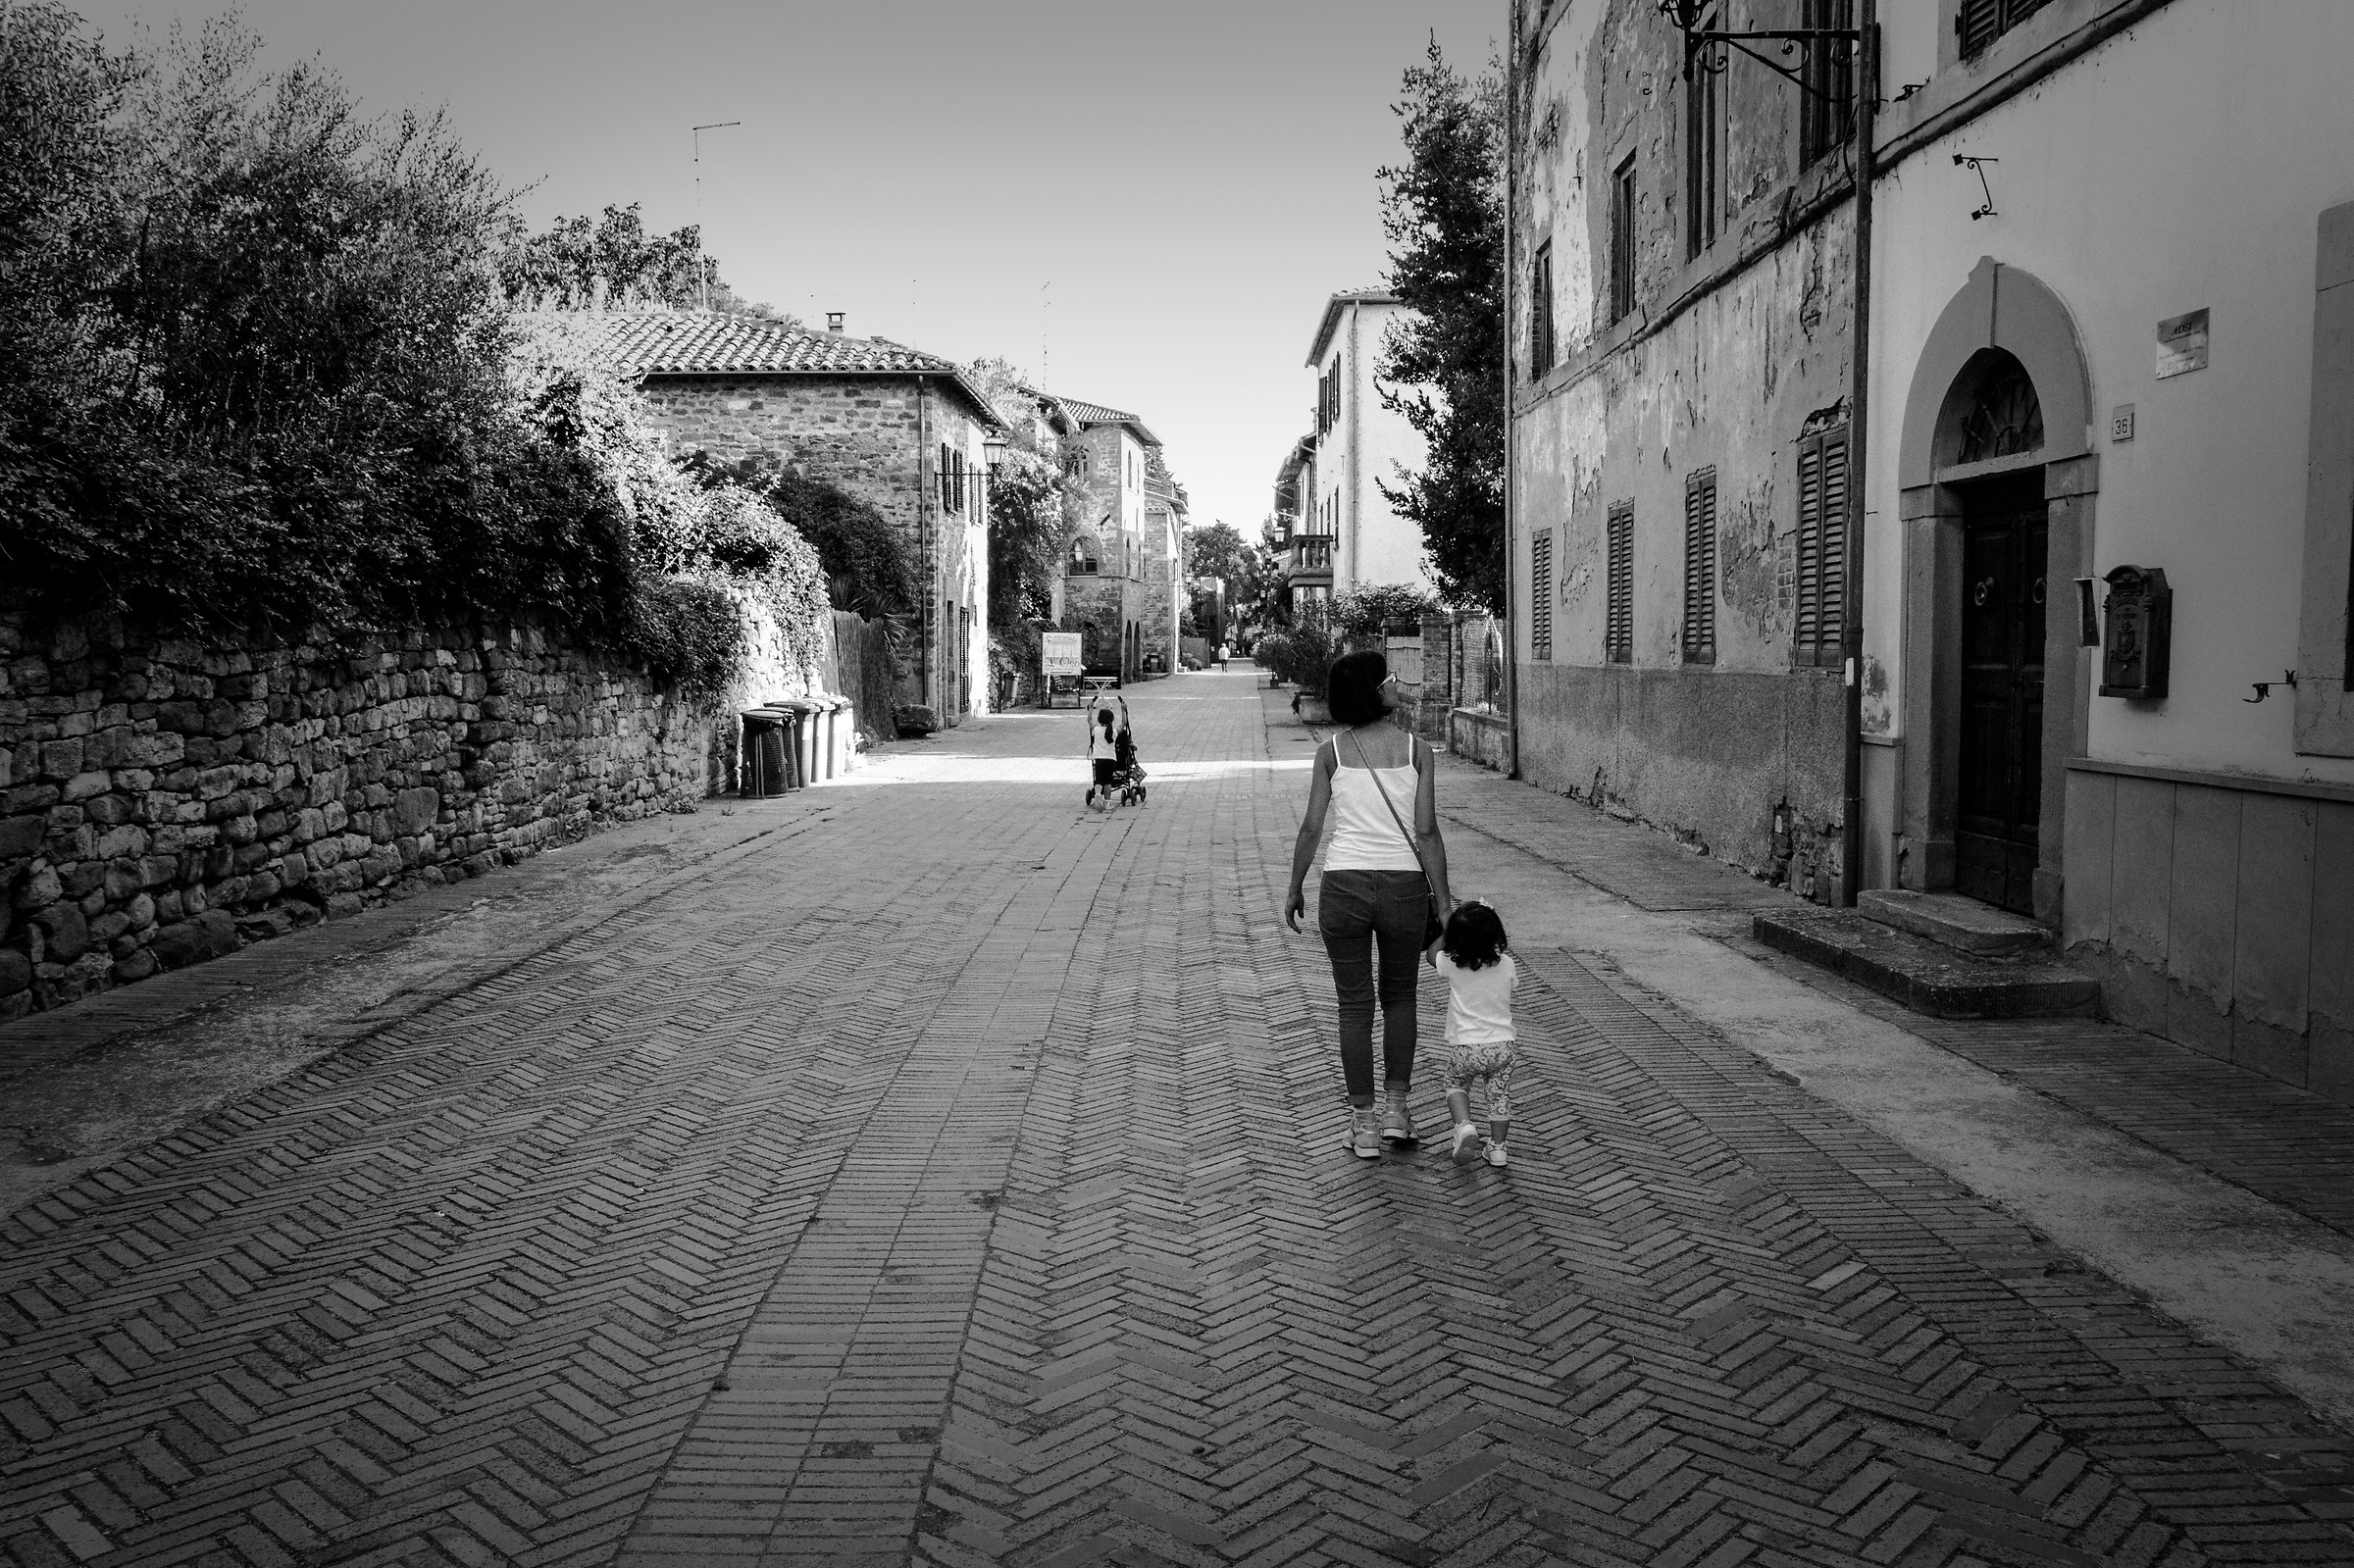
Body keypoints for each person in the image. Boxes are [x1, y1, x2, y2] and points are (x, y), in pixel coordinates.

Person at [1284, 651, 1453, 1158]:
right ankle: (1397, 1113)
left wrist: (1294, 886)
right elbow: (1426, 832)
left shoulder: (1330, 752)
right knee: (1400, 999)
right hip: (1404, 890)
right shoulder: (1417, 750)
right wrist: (1444, 905)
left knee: (1353, 1006)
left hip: (1344, 887)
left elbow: (1312, 827)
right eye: (1390, 678)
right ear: (1374, 691)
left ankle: (1364, 1126)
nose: (1396, 684)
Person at [1426, 901, 1517, 1167]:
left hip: (1467, 1046)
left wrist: (1447, 930)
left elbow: (1431, 955)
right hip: (1502, 1046)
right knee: (1499, 1095)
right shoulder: (1507, 964)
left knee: (1455, 1083)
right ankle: (1498, 1149)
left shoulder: (1453, 964)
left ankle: (1464, 1125)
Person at [1086, 695, 1131, 809]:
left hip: (1099, 759)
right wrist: (1123, 710)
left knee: (1098, 780)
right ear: (1112, 720)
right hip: (1111, 759)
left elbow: (1089, 720)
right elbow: (1124, 723)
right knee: (1107, 782)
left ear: (1099, 719)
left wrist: (1090, 709)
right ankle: (1108, 802)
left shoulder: (1096, 730)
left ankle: (1097, 794)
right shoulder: (1114, 732)